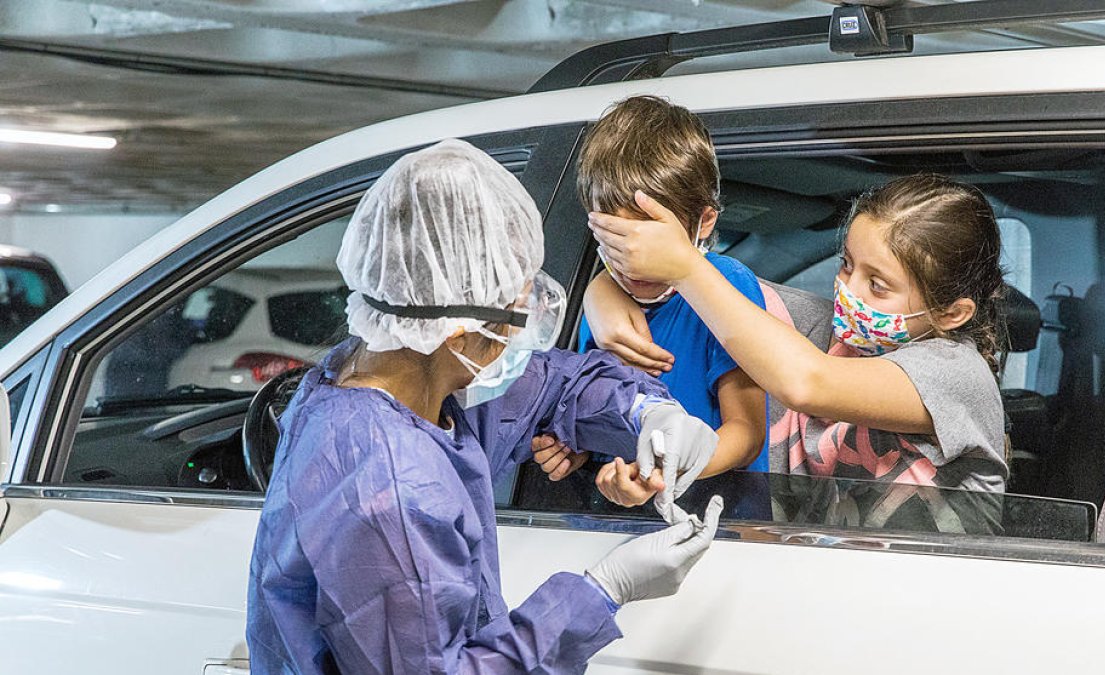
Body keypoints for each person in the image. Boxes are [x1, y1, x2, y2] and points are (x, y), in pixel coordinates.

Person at [246, 139, 724, 674]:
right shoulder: (390, 495)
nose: (526, 332)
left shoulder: (411, 381)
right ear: (456, 329)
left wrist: (646, 413)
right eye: (516, 310)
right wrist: (602, 591)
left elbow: (556, 385)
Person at [587, 174, 1009, 497]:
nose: (848, 290)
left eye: (877, 285)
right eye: (846, 265)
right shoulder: (826, 332)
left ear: (952, 313)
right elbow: (711, 295)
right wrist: (602, 288)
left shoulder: (957, 375)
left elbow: (808, 383)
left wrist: (683, 266)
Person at [531, 96, 768, 514]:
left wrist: (665, 469)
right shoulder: (600, 309)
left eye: (647, 242)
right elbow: (603, 415)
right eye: (614, 240)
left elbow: (747, 433)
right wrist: (578, 449)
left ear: (705, 222)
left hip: (721, 524)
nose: (630, 262)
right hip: (616, 523)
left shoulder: (727, 286)